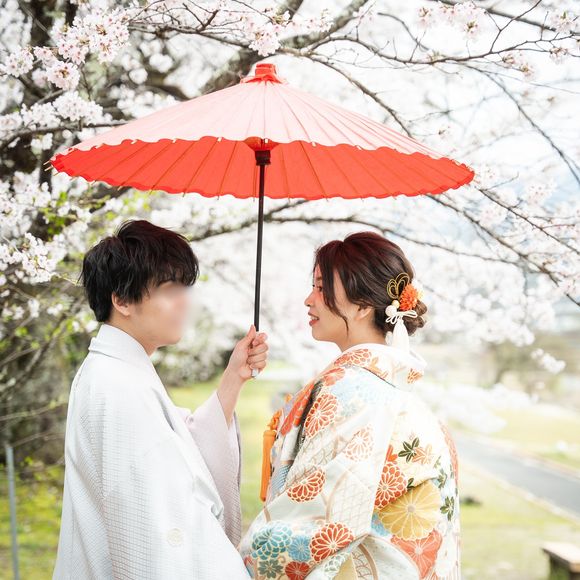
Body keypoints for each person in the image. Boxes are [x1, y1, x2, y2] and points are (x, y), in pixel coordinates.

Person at [239, 231, 460, 579]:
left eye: (321, 288)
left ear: (361, 306)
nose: (308, 300)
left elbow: (315, 523)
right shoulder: (399, 393)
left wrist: (246, 561)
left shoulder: (350, 392)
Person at [53, 219, 267, 579]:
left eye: (185, 287)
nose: (185, 301)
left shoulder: (119, 370)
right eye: (170, 290)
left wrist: (234, 377)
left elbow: (182, 447)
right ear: (121, 300)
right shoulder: (116, 386)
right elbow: (155, 529)